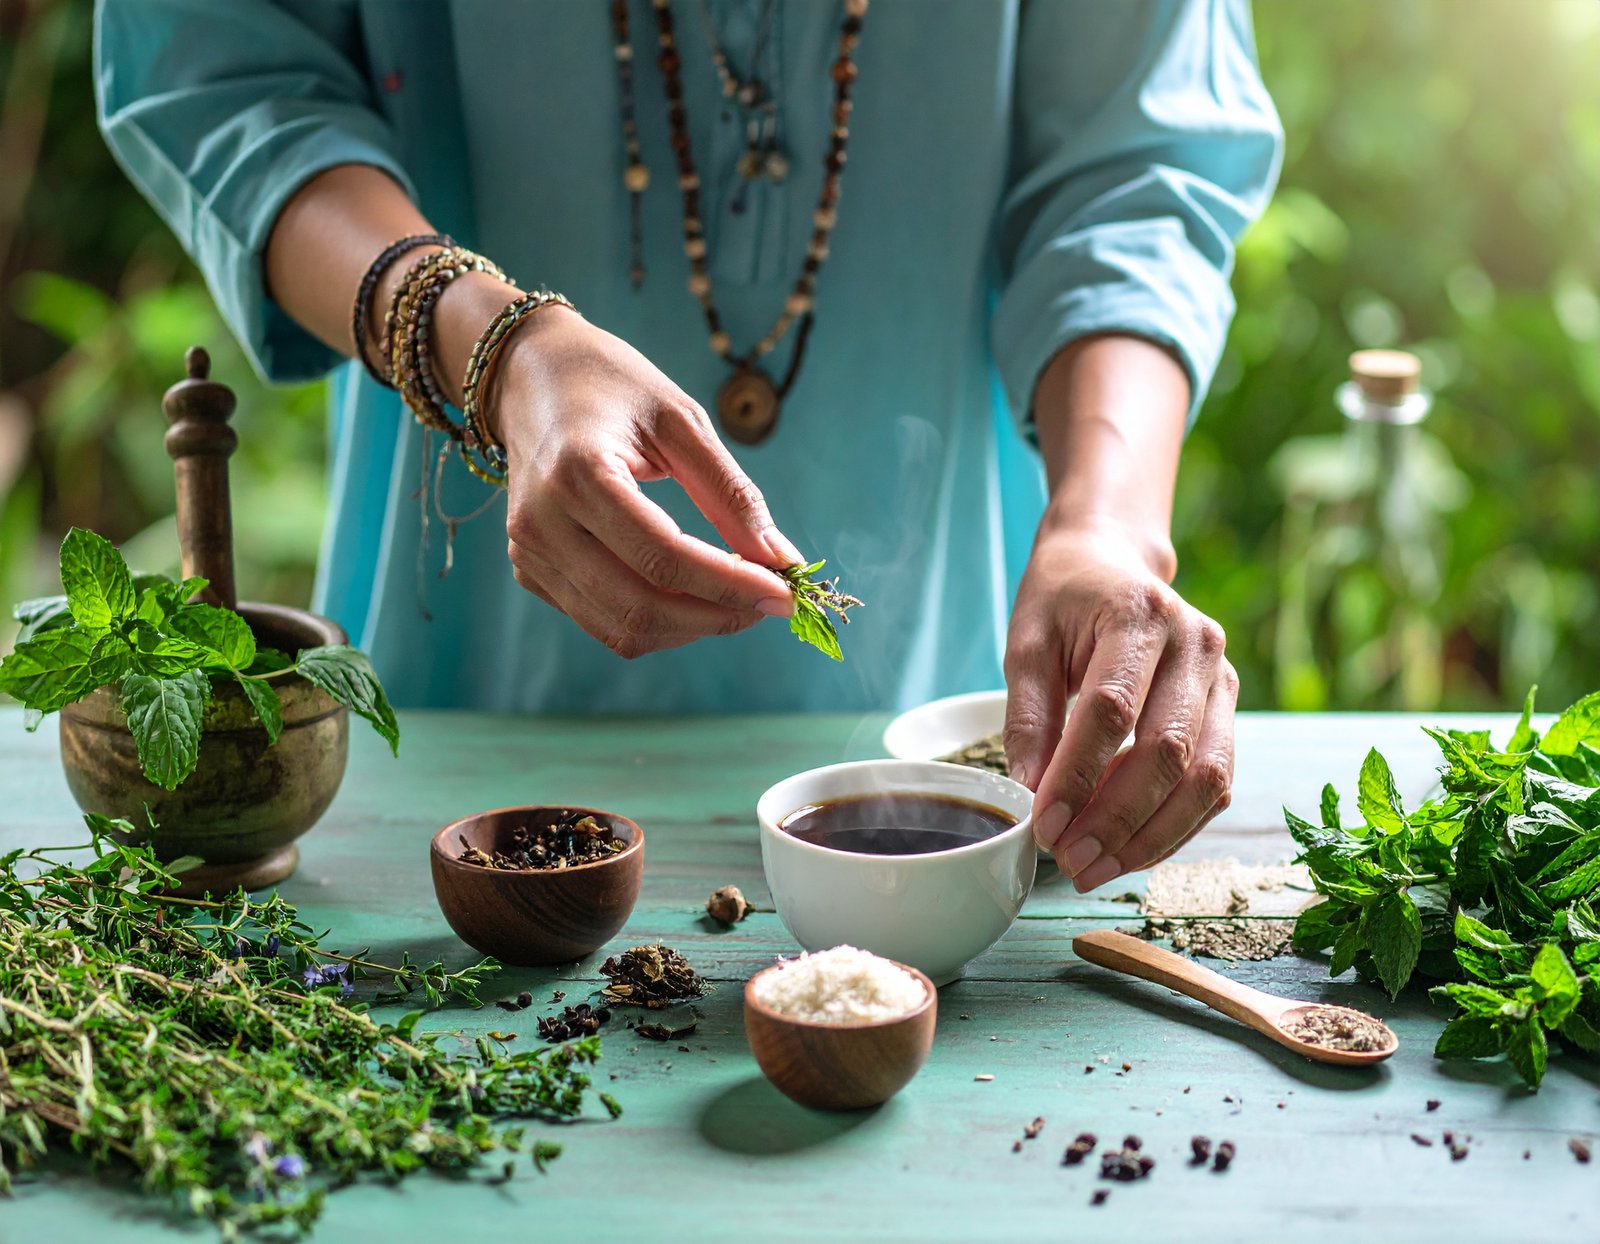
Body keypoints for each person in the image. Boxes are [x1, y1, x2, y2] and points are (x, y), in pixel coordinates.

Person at [94, 0, 1282, 892]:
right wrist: (495, 350)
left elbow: (1136, 170)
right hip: (466, 685)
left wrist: (1106, 528)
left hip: (944, 672)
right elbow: (226, 71)